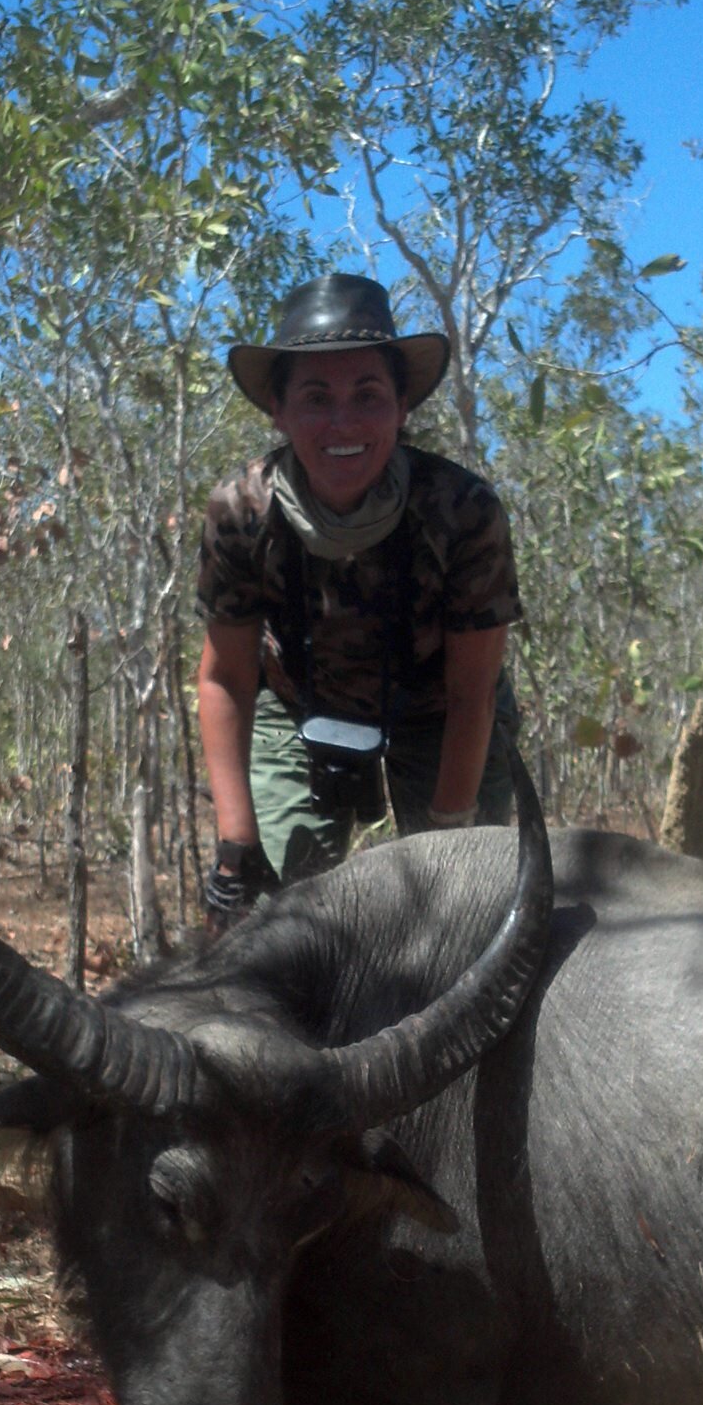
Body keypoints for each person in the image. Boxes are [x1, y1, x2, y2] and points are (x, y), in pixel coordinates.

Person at [196, 273, 524, 925]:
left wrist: (450, 838)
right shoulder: (241, 512)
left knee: (462, 918)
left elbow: (472, 692)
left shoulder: (462, 511)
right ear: (278, 411)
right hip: (295, 711)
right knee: (276, 928)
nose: (342, 422)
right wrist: (237, 843)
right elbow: (226, 678)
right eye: (316, 397)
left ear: (403, 406)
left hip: (442, 715)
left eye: (367, 394)